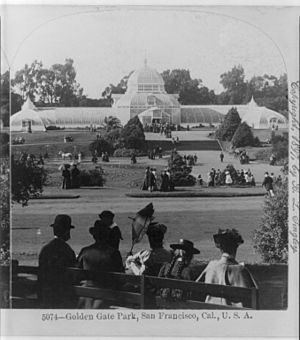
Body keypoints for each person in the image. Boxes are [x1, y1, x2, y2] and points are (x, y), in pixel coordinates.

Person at [196, 229, 257, 307]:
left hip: (210, 312)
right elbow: (254, 294)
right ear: (235, 248)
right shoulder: (241, 270)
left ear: (220, 248)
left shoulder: (211, 266)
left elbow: (196, 287)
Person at [77, 220, 124, 309]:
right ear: (107, 236)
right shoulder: (114, 253)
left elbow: (77, 272)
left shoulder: (85, 251)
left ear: (94, 235)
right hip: (107, 294)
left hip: (87, 293)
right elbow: (121, 276)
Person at [38, 215, 77, 308]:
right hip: (62, 294)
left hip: (46, 293)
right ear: (67, 231)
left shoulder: (45, 249)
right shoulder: (66, 250)